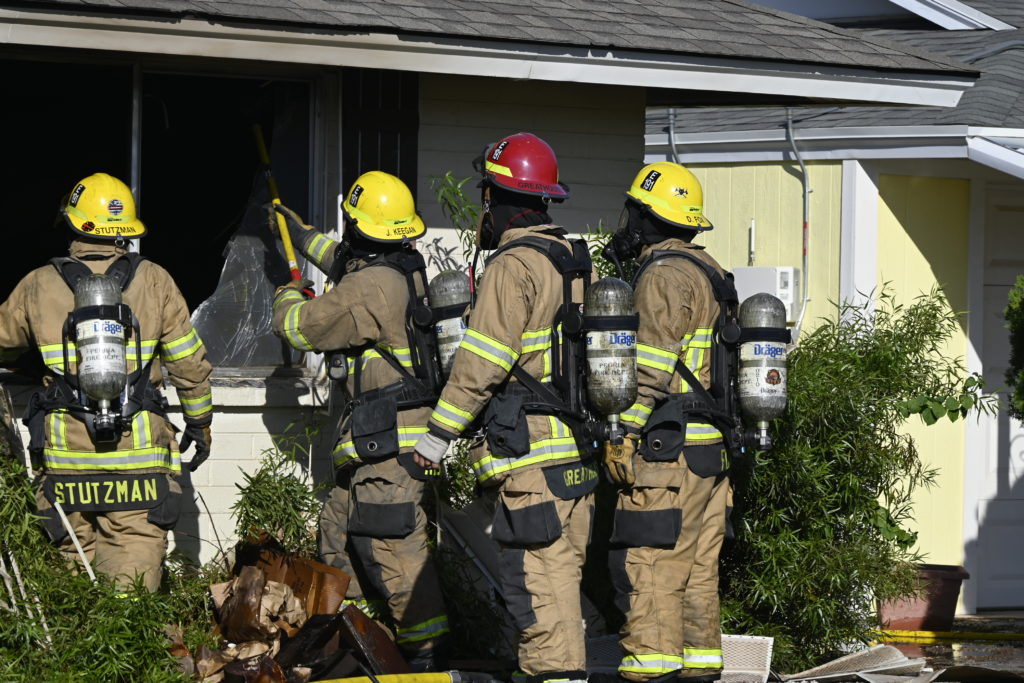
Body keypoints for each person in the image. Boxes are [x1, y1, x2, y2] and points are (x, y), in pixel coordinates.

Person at [413, 133, 596, 683]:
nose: (483, 208)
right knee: (562, 590)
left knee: (537, 596)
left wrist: (436, 438)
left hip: (531, 459)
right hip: (575, 458)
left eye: (486, 194)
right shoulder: (572, 261)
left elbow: (483, 362)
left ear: (496, 197)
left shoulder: (512, 266)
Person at [0, 172, 213, 592]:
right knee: (131, 597)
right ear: (125, 230)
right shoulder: (155, 280)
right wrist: (200, 424)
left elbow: (4, 345)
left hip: (65, 466)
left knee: (70, 593)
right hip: (138, 466)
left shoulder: (38, 284)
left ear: (72, 223)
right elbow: (189, 364)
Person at [271, 171, 449, 671]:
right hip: (379, 440)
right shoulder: (400, 267)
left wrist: (288, 293)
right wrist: (300, 234)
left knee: (393, 548)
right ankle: (361, 641)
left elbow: (300, 328)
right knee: (337, 530)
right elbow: (341, 257)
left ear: (359, 226)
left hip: (388, 444)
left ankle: (427, 657)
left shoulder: (369, 287)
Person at [602, 162, 732, 683]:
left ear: (649, 217)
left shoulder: (663, 276)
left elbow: (650, 371)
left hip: (667, 452)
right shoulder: (711, 271)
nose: (629, 221)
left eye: (635, 211)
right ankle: (700, 667)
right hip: (709, 452)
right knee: (697, 570)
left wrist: (624, 434)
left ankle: (652, 671)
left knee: (653, 567)